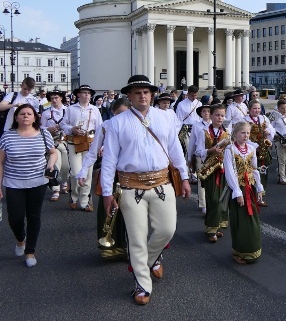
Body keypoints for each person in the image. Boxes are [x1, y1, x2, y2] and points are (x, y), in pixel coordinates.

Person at [100, 75, 190, 305]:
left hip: (162, 183)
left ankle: (152, 258)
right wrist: (107, 193)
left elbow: (175, 148)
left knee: (167, 230)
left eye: (146, 92)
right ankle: (142, 283)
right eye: (137, 92)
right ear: (129, 97)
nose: (142, 96)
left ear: (152, 95)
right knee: (137, 238)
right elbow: (109, 159)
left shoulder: (165, 118)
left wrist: (186, 177)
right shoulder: (117, 123)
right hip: (131, 187)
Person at [0, 104, 57, 267]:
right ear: (16, 117)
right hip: (13, 182)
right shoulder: (7, 136)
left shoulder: (44, 133)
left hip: (38, 181)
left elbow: (53, 152)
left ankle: (30, 251)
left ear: (35, 117)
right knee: (15, 218)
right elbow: (1, 162)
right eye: (22, 113)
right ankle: (20, 239)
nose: (26, 116)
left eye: (29, 113)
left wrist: (51, 164)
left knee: (34, 216)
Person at [76, 97, 131, 260]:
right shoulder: (106, 126)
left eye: (124, 113)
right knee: (109, 209)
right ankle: (110, 245)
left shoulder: (135, 126)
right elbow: (93, 152)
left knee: (130, 211)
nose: (120, 117)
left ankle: (127, 245)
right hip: (111, 173)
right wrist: (83, 171)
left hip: (130, 174)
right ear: (113, 113)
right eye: (117, 114)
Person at [223, 121, 264, 264]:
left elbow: (254, 169)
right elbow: (230, 172)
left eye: (247, 133)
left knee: (252, 220)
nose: (246, 135)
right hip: (239, 190)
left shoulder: (251, 149)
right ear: (235, 134)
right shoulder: (230, 150)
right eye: (243, 133)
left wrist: (259, 187)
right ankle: (240, 251)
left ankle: (252, 249)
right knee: (240, 221)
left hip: (250, 188)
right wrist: (237, 191)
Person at [61, 84, 103, 212]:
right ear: (78, 95)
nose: (86, 95)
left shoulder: (94, 109)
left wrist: (101, 145)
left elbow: (100, 128)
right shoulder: (71, 109)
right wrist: (72, 129)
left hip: (90, 144)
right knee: (75, 173)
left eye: (88, 93)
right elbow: (63, 124)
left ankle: (85, 200)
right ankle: (73, 196)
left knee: (88, 174)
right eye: (83, 92)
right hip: (74, 143)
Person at [196, 103, 229, 242]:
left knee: (222, 199)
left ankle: (216, 226)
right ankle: (211, 229)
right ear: (211, 115)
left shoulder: (227, 132)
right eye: (217, 115)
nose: (220, 118)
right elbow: (198, 151)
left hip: (223, 170)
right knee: (213, 199)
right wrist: (211, 150)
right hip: (210, 170)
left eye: (222, 115)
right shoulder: (203, 132)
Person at [40, 90, 70, 201]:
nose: (54, 100)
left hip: (66, 141)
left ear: (61, 98)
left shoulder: (68, 111)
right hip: (53, 141)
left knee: (66, 166)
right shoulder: (46, 113)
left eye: (56, 97)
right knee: (56, 164)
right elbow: (41, 127)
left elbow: (72, 125)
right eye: (52, 98)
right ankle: (55, 188)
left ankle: (65, 181)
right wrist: (48, 129)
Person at [245, 100, 275, 204]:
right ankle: (252, 195)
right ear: (249, 110)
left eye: (258, 108)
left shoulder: (264, 118)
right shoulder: (245, 120)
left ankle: (260, 196)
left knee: (263, 171)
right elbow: (244, 136)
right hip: (251, 150)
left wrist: (269, 132)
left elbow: (272, 129)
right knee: (253, 172)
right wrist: (254, 146)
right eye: (254, 108)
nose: (257, 110)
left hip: (263, 149)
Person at [187, 103, 213, 214]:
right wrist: (189, 157)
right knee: (202, 179)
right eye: (204, 111)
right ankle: (203, 204)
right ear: (200, 114)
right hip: (200, 155)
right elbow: (192, 142)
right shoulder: (197, 126)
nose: (206, 113)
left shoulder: (215, 124)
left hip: (213, 154)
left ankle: (212, 201)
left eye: (208, 111)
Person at [175, 85, 202, 179]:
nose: (194, 97)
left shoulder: (199, 104)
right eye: (192, 95)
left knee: (197, 150)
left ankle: (196, 173)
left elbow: (201, 118)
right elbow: (179, 119)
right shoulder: (181, 104)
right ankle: (188, 173)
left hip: (198, 130)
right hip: (186, 130)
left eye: (195, 95)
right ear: (188, 94)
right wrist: (176, 133)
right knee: (188, 151)